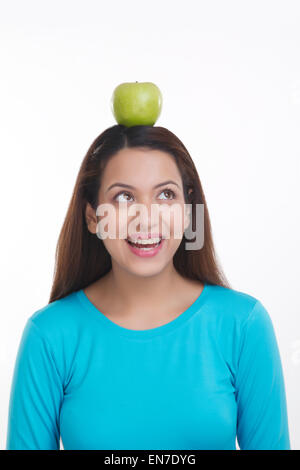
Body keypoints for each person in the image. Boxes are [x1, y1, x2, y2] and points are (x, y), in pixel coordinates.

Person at [6, 124, 291, 450]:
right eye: (124, 197)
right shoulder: (49, 335)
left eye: (166, 194)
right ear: (92, 217)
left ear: (188, 211)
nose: (146, 219)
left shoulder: (243, 324)